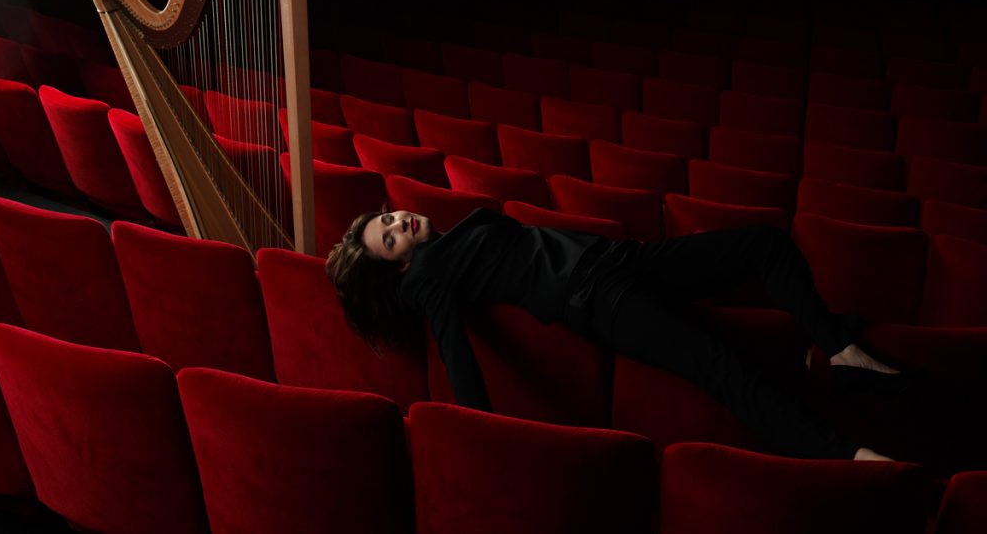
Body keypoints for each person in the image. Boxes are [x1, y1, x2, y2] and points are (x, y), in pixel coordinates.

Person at [325, 205, 909, 461]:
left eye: (388, 220)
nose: (399, 224)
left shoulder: (441, 248)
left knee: (765, 244)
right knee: (723, 367)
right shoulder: (424, 279)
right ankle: (849, 456)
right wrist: (483, 433)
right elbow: (455, 351)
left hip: (623, 261)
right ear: (399, 267)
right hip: (601, 299)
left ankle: (838, 347)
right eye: (390, 239)